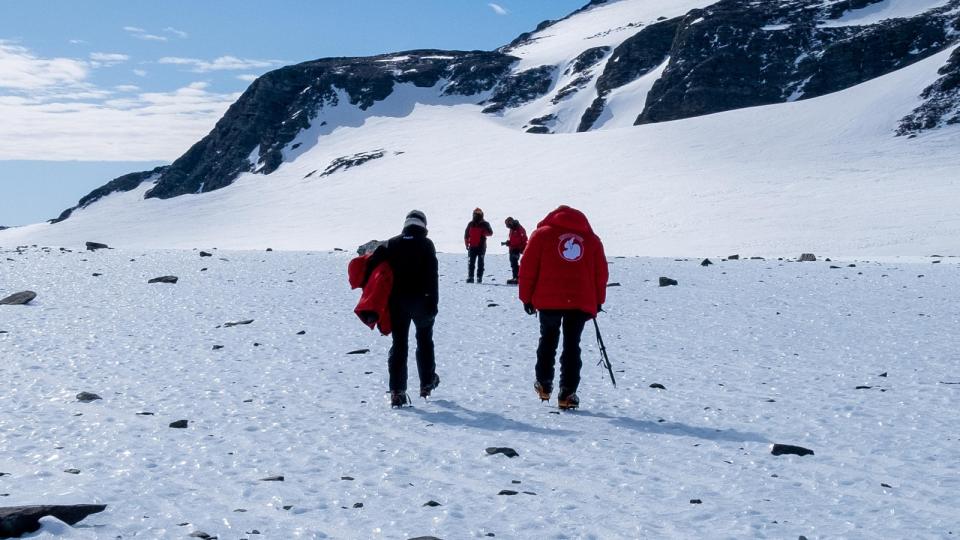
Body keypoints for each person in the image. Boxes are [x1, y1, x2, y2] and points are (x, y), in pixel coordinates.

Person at [518, 205, 608, 410]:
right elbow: (600, 274)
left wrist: (526, 298)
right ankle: (567, 393)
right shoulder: (592, 241)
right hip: (580, 301)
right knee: (572, 345)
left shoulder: (541, 235)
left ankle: (543, 383)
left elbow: (528, 267)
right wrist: (598, 301)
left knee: (548, 339)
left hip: (548, 299)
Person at [363, 210, 440, 407]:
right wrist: (433, 303)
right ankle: (427, 383)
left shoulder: (392, 243)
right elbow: (432, 276)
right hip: (422, 302)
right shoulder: (426, 244)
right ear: (423, 225)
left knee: (399, 345)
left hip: (397, 302)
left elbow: (372, 263)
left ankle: (397, 391)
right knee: (424, 341)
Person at [464, 208, 493, 283]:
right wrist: (467, 243)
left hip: (481, 246)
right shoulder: (471, 224)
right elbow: (466, 234)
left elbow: (490, 233)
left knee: (480, 263)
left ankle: (479, 277)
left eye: (478, 213)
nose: (476, 215)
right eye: (475, 213)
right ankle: (471, 277)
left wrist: (484, 232)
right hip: (472, 246)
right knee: (471, 263)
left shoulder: (485, 224)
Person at [501, 217, 528, 285]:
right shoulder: (512, 229)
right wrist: (508, 242)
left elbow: (524, 238)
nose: (507, 225)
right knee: (513, 263)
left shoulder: (518, 228)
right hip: (513, 248)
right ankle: (516, 277)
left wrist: (519, 246)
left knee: (514, 262)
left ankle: (517, 277)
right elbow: (514, 239)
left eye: (508, 223)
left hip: (517, 248)